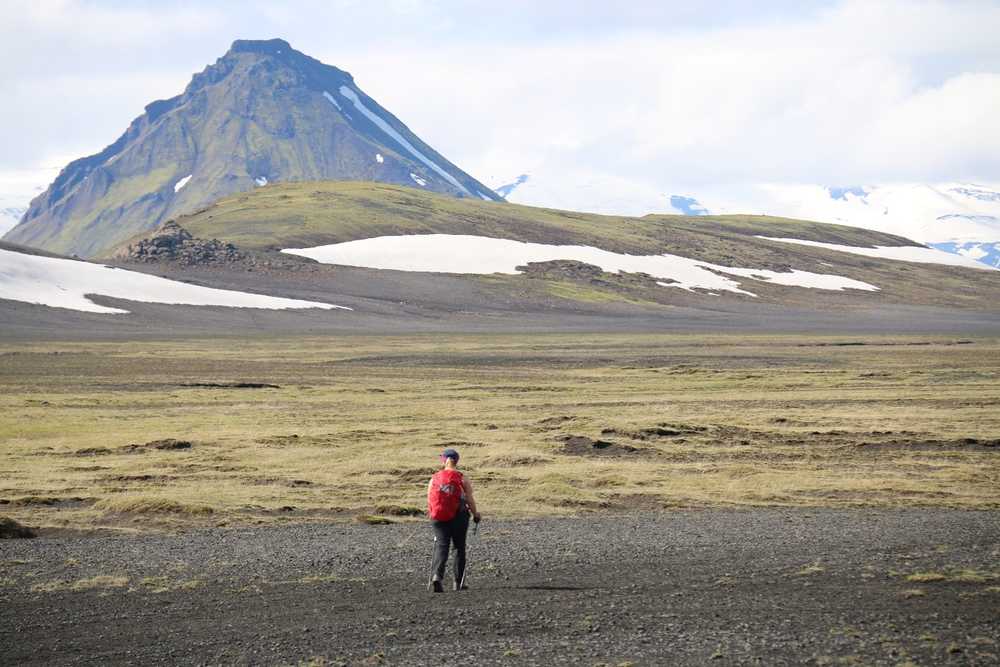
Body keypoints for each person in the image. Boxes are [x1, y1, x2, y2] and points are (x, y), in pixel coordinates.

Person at [427, 447, 481, 592]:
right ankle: (458, 583)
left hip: (438, 516)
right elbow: (469, 498)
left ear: (444, 460)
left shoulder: (434, 478)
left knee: (441, 546)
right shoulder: (462, 477)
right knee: (459, 547)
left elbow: (429, 499)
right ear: (456, 461)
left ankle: (437, 576)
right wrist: (476, 514)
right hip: (459, 515)